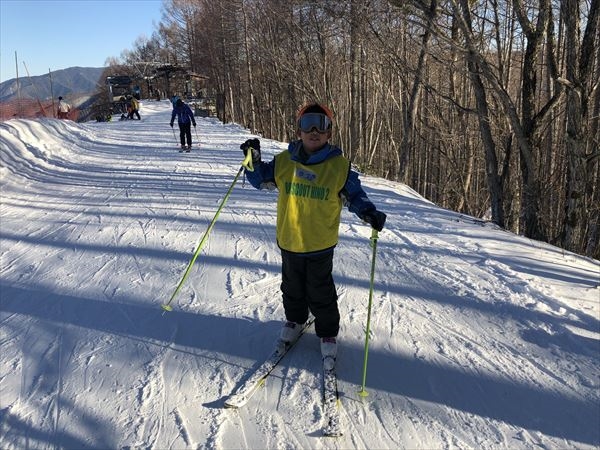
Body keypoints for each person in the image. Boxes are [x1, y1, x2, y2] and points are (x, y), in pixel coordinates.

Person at [240, 102, 387, 368]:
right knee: (292, 287)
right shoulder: (285, 161)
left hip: (320, 244)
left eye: (322, 124)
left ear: (330, 132)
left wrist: (368, 212)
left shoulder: (338, 167)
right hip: (290, 241)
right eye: (308, 124)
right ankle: (295, 320)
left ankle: (327, 332)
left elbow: (354, 195)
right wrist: (253, 159)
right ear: (299, 130)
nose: (315, 130)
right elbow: (259, 179)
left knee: (320, 291)